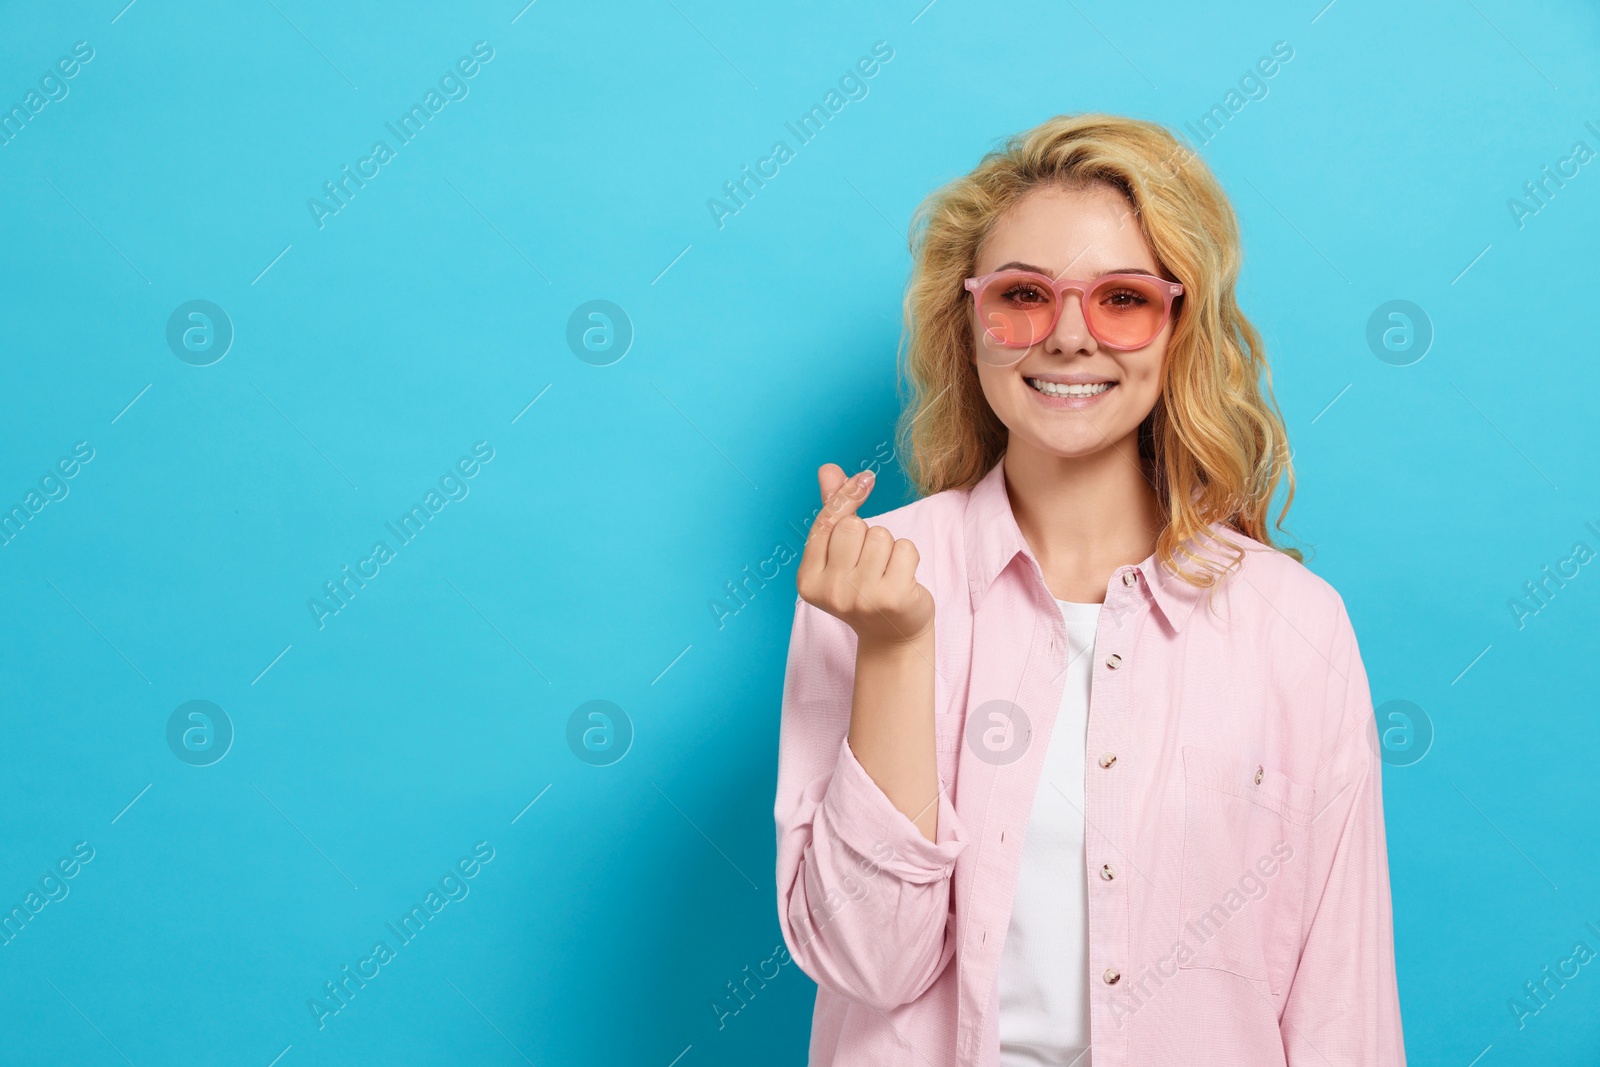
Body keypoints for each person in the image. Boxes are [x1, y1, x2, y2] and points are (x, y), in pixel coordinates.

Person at [772, 112, 1406, 1066]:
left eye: (1121, 298)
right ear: (970, 318)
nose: (1069, 337)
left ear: (1178, 326)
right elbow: (870, 963)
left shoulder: (1295, 628)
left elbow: (1340, 1008)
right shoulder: (875, 580)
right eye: (1024, 294)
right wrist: (897, 647)